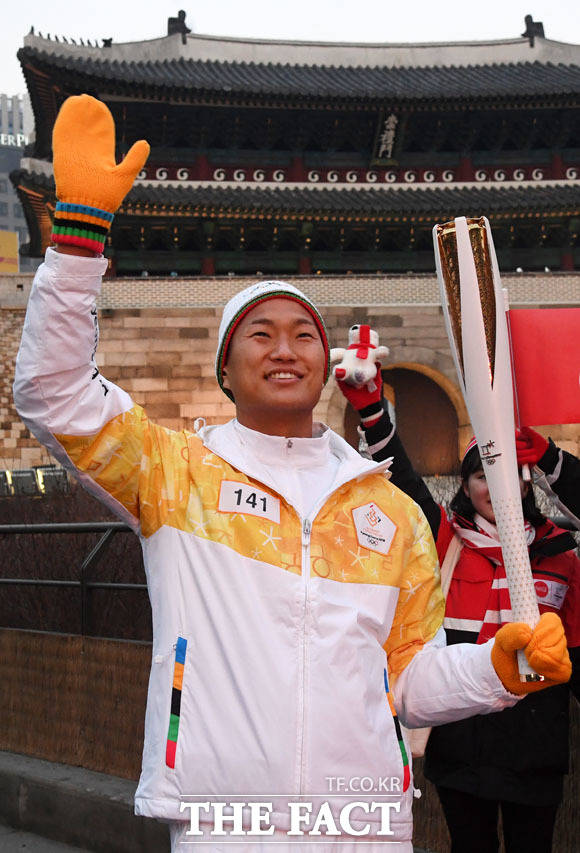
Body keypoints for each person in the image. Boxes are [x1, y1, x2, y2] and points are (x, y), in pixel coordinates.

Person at [13, 95, 572, 852]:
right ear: (227, 371)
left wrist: (496, 670)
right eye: (260, 334)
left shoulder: (390, 512)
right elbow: (54, 394)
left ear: (324, 361)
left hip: (364, 824)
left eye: (304, 333)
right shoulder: (174, 473)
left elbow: (409, 682)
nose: (286, 348)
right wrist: (78, 247)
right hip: (226, 824)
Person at [339, 365, 580, 853]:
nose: (496, 486)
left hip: (535, 747)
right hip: (462, 741)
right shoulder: (443, 540)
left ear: (528, 482)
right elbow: (403, 484)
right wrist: (371, 412)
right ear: (466, 486)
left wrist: (554, 458)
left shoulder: (561, 552)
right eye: (482, 475)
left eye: (511, 473)